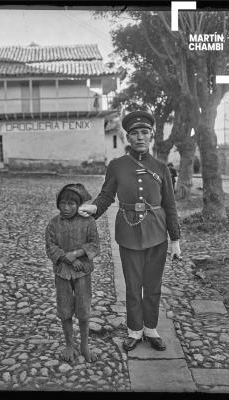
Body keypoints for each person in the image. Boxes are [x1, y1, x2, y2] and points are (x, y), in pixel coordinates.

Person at [78, 110, 181, 352]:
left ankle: (151, 329)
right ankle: (135, 331)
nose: (140, 137)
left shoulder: (161, 167)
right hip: (129, 233)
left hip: (157, 234)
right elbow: (106, 195)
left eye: (144, 132)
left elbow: (170, 205)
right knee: (133, 285)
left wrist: (175, 239)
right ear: (128, 138)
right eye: (134, 133)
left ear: (152, 135)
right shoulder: (117, 166)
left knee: (153, 285)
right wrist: (94, 208)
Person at [45, 183, 100, 362]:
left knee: (84, 309)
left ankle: (84, 344)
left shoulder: (88, 222)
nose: (66, 208)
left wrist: (77, 253)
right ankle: (69, 344)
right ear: (58, 204)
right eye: (63, 203)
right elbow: (50, 246)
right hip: (62, 272)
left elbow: (94, 245)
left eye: (71, 204)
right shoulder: (53, 224)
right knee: (65, 309)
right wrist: (66, 258)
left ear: (79, 205)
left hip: (82, 272)